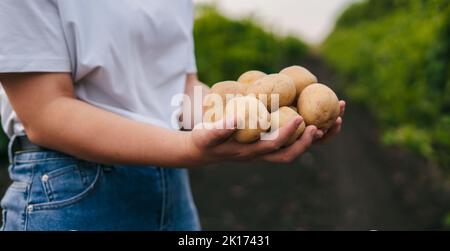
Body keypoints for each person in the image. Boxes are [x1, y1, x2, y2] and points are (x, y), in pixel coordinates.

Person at [0, 0, 345, 231]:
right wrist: (190, 149)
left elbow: (180, 89)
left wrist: (233, 116)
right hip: (70, 191)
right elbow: (45, 113)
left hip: (171, 187)